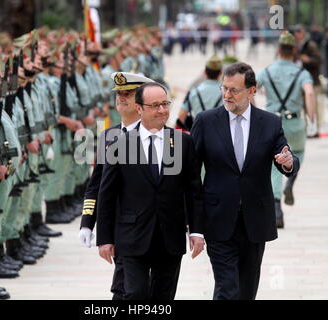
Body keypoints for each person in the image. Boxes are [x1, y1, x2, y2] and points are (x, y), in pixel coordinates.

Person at [190, 62, 300, 300]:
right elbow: (191, 174)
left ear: (251, 91)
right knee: (227, 289)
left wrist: (287, 162)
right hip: (218, 219)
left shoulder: (270, 123)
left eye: (234, 90)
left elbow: (288, 160)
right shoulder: (205, 121)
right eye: (224, 88)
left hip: (255, 221)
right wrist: (194, 224)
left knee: (247, 291)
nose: (227, 95)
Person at [97, 82, 205, 300]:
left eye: (165, 104)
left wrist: (197, 231)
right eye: (155, 105)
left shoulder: (183, 141)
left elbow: (193, 190)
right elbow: (106, 193)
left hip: (170, 237)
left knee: (163, 297)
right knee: (135, 294)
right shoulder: (119, 144)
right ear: (139, 109)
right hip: (132, 236)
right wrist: (104, 238)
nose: (162, 110)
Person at [78, 72, 153, 300]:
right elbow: (96, 185)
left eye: (128, 94)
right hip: (120, 226)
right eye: (119, 93)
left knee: (131, 288)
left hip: (147, 226)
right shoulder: (108, 136)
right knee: (125, 287)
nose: (121, 98)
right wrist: (87, 223)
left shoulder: (155, 136)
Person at [256, 31, 316, 228]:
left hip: (272, 123)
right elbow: (309, 92)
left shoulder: (267, 71)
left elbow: (251, 90)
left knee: (274, 165)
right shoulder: (301, 73)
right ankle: (291, 179)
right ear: (294, 51)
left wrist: (256, 113)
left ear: (278, 49)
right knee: (297, 152)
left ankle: (276, 208)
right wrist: (312, 117)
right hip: (296, 123)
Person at [292, 24, 323, 137]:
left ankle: (315, 129)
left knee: (313, 106)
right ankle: (307, 128)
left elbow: (319, 60)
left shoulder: (310, 45)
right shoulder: (295, 45)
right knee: (304, 106)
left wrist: (308, 60)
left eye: (298, 31)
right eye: (295, 32)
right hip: (300, 81)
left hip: (312, 80)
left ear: (303, 32)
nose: (296, 34)